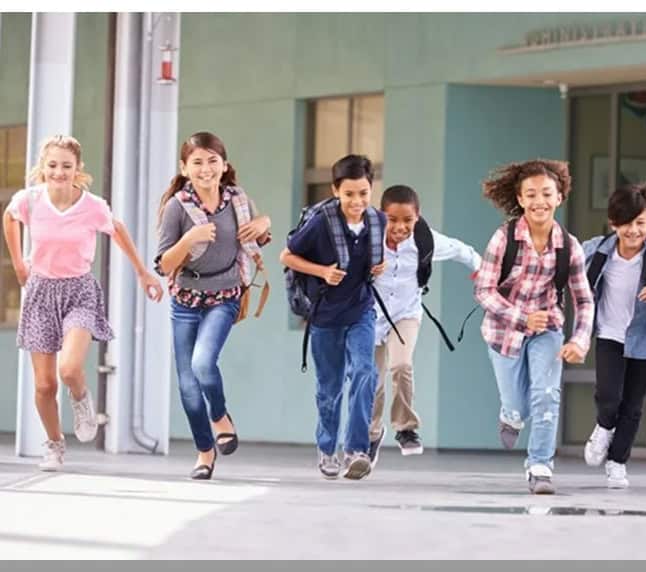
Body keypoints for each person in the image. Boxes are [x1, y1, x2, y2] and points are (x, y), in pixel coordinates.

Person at [1, 135, 163, 471]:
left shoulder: (92, 207)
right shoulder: (29, 200)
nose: (58, 172)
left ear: (78, 169)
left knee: (69, 369)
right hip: (41, 293)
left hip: (79, 292)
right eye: (52, 165)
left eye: (66, 166)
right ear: (42, 167)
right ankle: (55, 445)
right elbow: (9, 217)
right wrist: (18, 262)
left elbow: (116, 230)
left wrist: (142, 272)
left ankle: (80, 398)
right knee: (44, 385)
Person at [155, 131, 272, 480]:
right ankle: (205, 452)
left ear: (224, 165)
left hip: (225, 296)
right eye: (197, 162)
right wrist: (190, 237)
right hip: (186, 301)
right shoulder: (176, 207)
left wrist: (265, 222)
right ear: (185, 168)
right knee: (188, 386)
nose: (206, 169)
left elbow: (259, 235)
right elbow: (162, 264)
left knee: (203, 363)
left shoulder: (237, 199)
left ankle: (220, 415)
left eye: (212, 161)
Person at [473, 159, 594, 495]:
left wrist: (580, 340)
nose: (539, 201)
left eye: (546, 193)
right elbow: (483, 290)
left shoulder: (570, 247)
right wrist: (521, 317)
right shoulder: (504, 238)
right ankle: (511, 414)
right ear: (521, 199)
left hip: (548, 329)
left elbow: (584, 300)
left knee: (546, 394)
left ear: (559, 197)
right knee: (517, 404)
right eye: (531, 194)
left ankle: (540, 466)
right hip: (502, 332)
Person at [280, 154, 386, 481]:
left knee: (366, 372)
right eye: (350, 194)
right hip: (325, 315)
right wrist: (322, 271)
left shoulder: (377, 221)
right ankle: (327, 448)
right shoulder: (321, 221)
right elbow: (287, 255)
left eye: (364, 193)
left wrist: (378, 267)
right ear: (335, 190)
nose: (357, 201)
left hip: (360, 310)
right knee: (330, 387)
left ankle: (356, 450)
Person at [367, 184, 481, 465]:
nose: (400, 227)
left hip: (406, 315)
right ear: (382, 216)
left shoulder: (424, 240)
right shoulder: (368, 239)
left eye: (408, 220)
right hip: (369, 315)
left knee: (401, 365)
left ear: (417, 217)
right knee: (372, 379)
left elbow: (462, 251)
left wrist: (481, 272)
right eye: (392, 219)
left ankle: (406, 427)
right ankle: (370, 433)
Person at [581, 182, 646, 489]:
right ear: (613, 223)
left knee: (633, 404)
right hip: (609, 332)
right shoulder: (596, 249)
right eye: (626, 223)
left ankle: (617, 462)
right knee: (609, 397)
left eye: (641, 223)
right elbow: (569, 276)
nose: (633, 230)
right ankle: (604, 426)